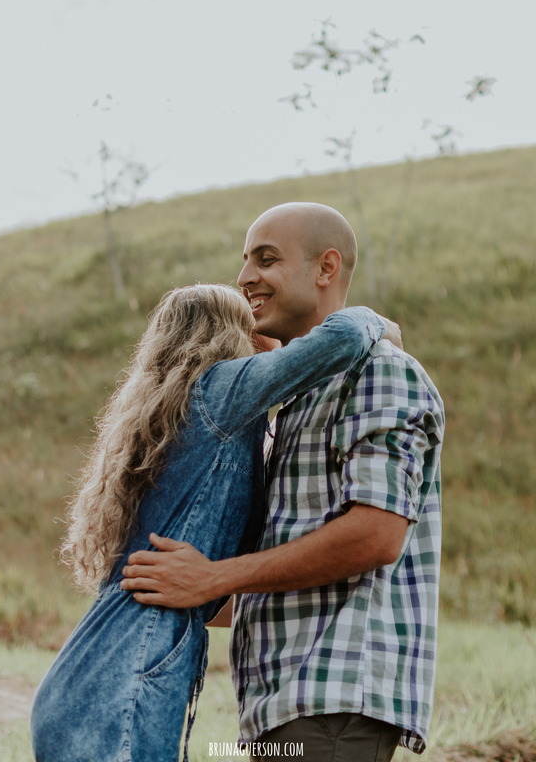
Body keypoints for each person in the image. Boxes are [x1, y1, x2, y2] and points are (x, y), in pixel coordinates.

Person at [121, 203, 445, 761]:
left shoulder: (377, 371)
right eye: (245, 260)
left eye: (266, 259)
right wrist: (174, 588)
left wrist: (211, 577)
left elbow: (376, 534)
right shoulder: (294, 399)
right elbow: (282, 567)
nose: (245, 277)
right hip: (283, 703)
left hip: (335, 693)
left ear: (326, 268)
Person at [30, 282, 397, 762]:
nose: (269, 334)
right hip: (124, 678)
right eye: (254, 323)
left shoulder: (182, 420)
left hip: (92, 673)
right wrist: (381, 325)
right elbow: (343, 337)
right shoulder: (219, 390)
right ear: (233, 335)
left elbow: (208, 593)